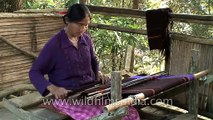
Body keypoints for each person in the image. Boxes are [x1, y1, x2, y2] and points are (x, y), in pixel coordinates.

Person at [29, 3, 140, 120]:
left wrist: (98, 73)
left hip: (91, 92)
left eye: (86, 25)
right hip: (70, 99)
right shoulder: (55, 45)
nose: (83, 29)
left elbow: (93, 60)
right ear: (67, 21)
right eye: (80, 24)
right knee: (106, 117)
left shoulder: (85, 39)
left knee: (128, 112)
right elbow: (34, 72)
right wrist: (54, 89)